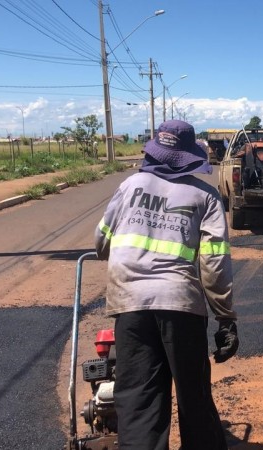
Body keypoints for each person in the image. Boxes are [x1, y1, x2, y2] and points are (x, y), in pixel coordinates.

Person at [95, 119, 239, 450]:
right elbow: (214, 263)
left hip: (129, 303)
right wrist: (225, 317)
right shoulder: (205, 196)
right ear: (190, 155)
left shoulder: (130, 186)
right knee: (194, 399)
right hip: (181, 308)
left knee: (139, 403)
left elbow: (102, 240)